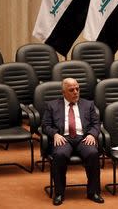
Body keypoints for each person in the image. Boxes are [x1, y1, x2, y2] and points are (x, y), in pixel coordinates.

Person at [42, 78, 104, 206]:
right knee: (59, 155)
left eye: (77, 89)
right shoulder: (52, 105)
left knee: (93, 153)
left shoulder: (88, 104)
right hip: (64, 138)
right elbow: (45, 126)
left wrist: (92, 134)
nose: (76, 92)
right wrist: (55, 134)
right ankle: (59, 193)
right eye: (71, 90)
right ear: (63, 92)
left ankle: (93, 192)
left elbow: (96, 123)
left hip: (83, 138)